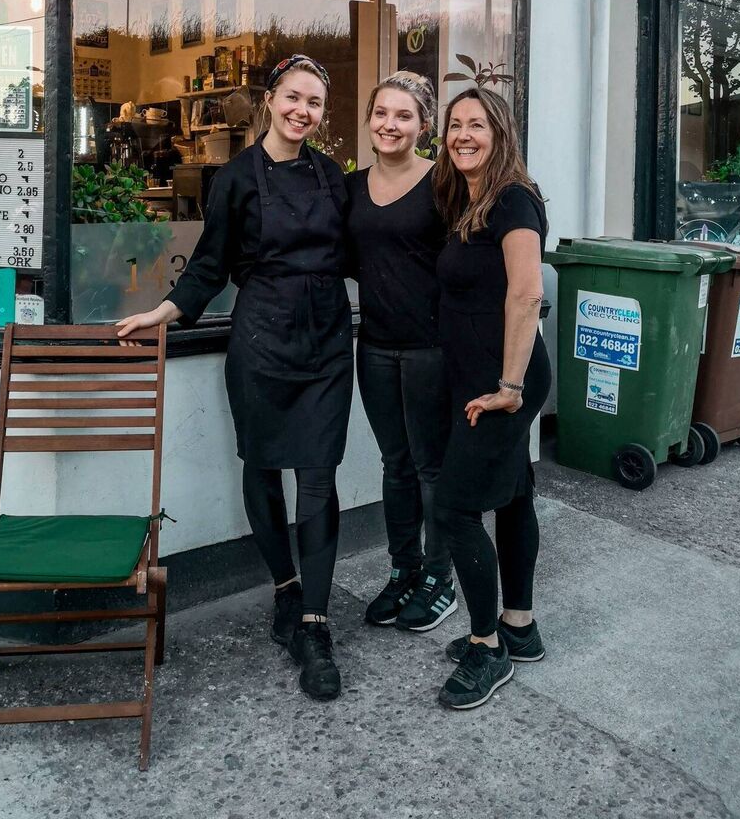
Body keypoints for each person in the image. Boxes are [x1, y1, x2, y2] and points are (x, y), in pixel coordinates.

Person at [117, 54, 353, 701]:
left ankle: (315, 622)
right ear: (270, 100)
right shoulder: (236, 178)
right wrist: (164, 313)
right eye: (294, 97)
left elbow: (366, 250)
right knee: (263, 466)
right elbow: (208, 264)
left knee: (318, 475)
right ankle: (285, 587)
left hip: (329, 338)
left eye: (315, 102)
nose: (304, 110)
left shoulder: (333, 177)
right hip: (261, 338)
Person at [430, 87, 551, 710]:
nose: (463, 135)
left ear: (500, 133)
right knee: (514, 494)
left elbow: (527, 294)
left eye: (477, 124)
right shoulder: (468, 200)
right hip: (479, 380)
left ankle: (486, 647)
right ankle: (520, 627)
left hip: (501, 384)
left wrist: (508, 388)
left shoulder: (513, 201)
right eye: (454, 125)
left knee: (453, 509)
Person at [345, 72, 455, 632]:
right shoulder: (352, 186)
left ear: (425, 125)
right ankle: (403, 569)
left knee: (432, 468)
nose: (390, 124)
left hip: (430, 350)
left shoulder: (444, 184)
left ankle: (440, 578)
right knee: (396, 465)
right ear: (369, 119)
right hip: (377, 347)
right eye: (381, 113)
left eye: (404, 115)